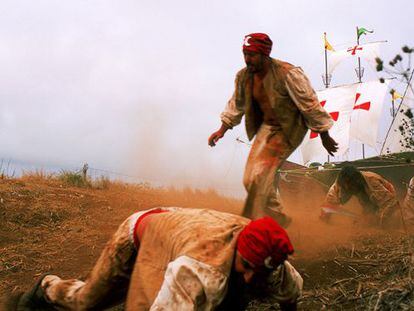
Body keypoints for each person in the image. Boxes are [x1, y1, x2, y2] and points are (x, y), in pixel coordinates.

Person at [9, 207, 303, 311]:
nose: (252, 277)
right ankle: (47, 288)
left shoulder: (275, 267)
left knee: (231, 295)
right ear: (238, 246)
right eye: (247, 266)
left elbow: (290, 297)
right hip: (142, 234)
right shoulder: (200, 269)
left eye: (261, 273)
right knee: (86, 302)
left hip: (180, 231)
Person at [208, 33, 338, 225]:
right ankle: (278, 217)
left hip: (290, 127)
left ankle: (262, 221)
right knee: (249, 180)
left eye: (251, 55)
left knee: (260, 176)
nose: (247, 59)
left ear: (264, 54)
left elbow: (310, 104)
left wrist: (324, 135)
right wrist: (222, 130)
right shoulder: (244, 76)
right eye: (245, 53)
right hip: (268, 127)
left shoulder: (288, 74)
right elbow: (237, 104)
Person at [320, 165, 400, 226]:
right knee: (364, 221)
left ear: (357, 181)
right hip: (368, 197)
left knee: (380, 223)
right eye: (345, 186)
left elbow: (391, 202)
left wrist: (378, 219)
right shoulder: (340, 183)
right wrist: (325, 217)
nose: (348, 188)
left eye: (350, 185)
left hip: (387, 197)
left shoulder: (372, 181)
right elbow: (329, 201)